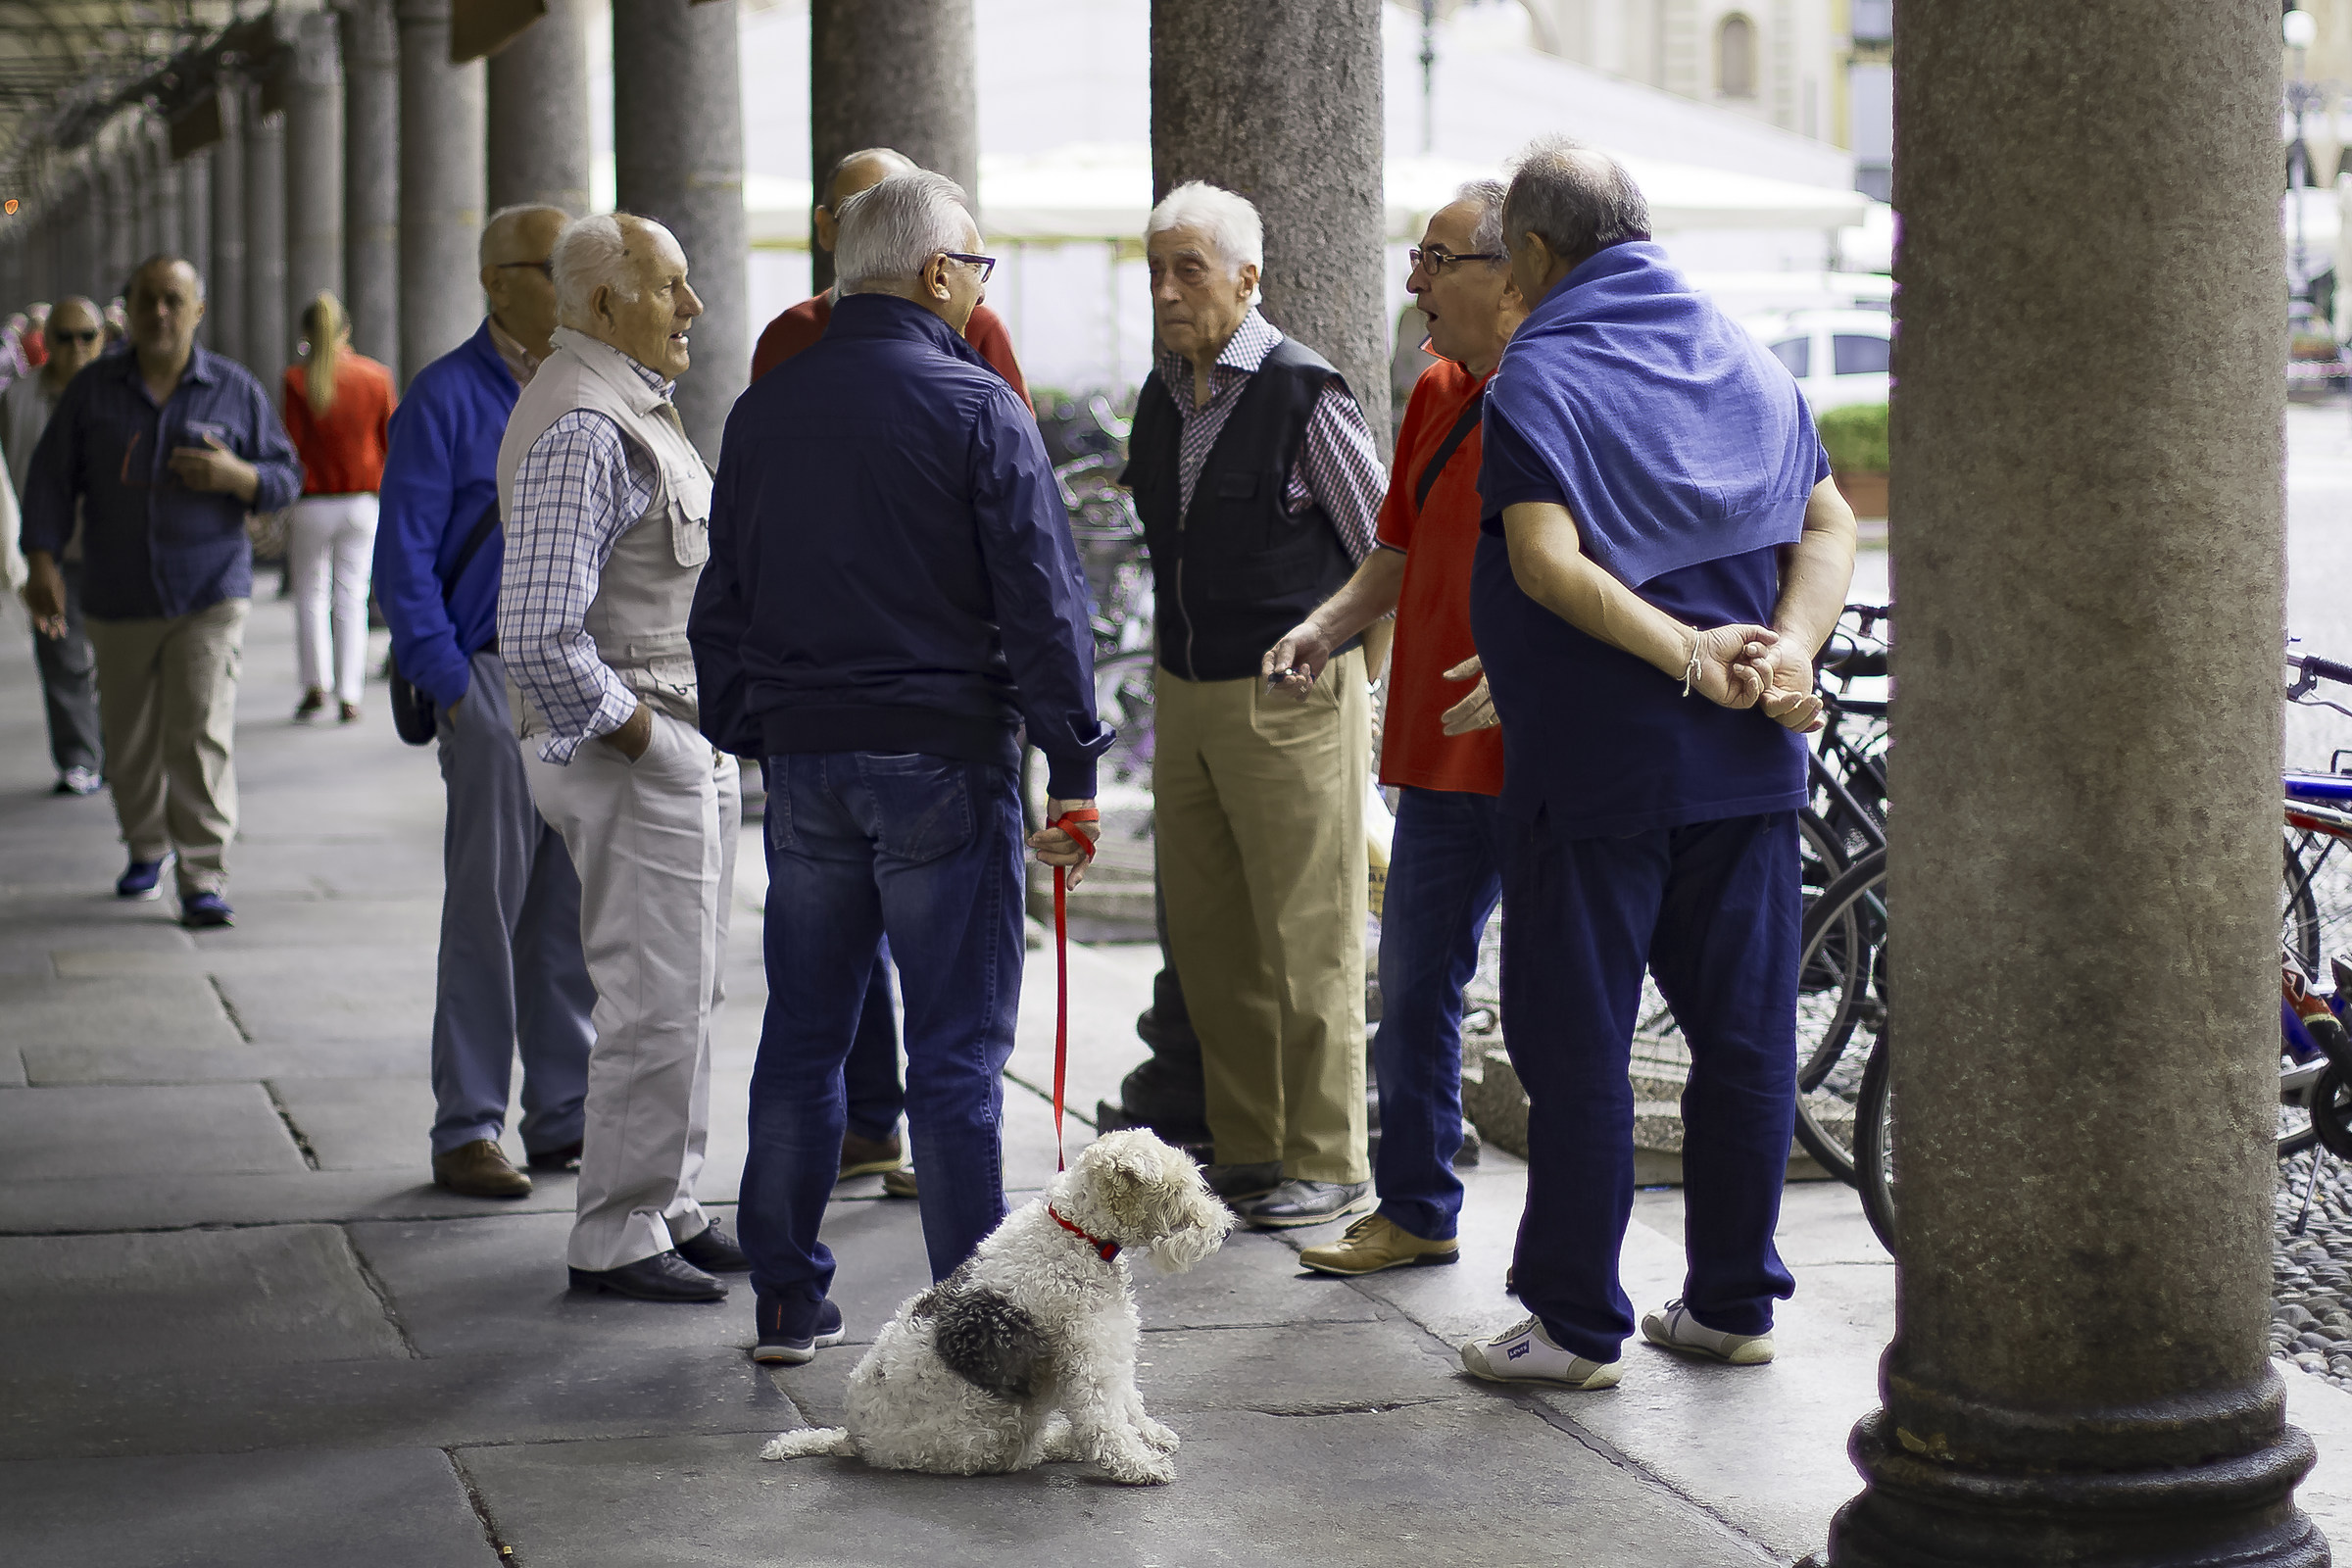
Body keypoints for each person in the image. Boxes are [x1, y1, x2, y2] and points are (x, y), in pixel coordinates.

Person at [1451, 140, 1855, 1392]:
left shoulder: (1542, 376)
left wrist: (1682, 655)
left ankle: (1574, 1320)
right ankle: (1733, 1298)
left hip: (1602, 770)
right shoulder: (1745, 357)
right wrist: (1785, 653)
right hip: (1744, 764)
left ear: (1529, 253)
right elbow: (1829, 525)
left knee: (1576, 1044)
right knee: (1743, 1036)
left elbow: (1547, 565)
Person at [690, 170, 1108, 1365]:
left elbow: (723, 600)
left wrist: (750, 723)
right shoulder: (980, 408)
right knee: (958, 1057)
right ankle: (975, 1329)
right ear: (937, 273)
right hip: (943, 755)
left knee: (805, 1035)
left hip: (809, 760)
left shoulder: (764, 411)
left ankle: (783, 1296)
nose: (980, 289)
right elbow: (1044, 609)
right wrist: (1072, 764)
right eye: (976, 268)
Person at [1259, 181, 1525, 1277]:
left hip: (1540, 752)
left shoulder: (1565, 390)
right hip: (1435, 754)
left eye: (1434, 257)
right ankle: (1417, 1208)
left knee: (1563, 1010)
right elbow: (1396, 550)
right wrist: (1322, 627)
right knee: (1413, 986)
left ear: (1512, 275)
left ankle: (1575, 1261)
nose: (1411, 280)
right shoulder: (1435, 392)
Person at [1124, 181, 1388, 1230]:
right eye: (1154, 270)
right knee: (1211, 936)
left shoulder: (1302, 393)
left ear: (1248, 278)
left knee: (1312, 933)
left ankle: (1329, 1155)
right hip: (1185, 694)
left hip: (1293, 697)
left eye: (1189, 268)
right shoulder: (1163, 392)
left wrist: (1359, 681)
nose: (1168, 289)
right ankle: (1249, 1148)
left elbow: (1385, 550)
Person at [499, 212, 746, 1303]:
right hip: (636, 749)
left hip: (663, 742)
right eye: (670, 286)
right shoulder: (586, 424)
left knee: (682, 984)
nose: (693, 307)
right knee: (652, 992)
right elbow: (541, 631)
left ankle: (664, 1198)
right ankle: (617, 1230)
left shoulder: (614, 404)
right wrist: (655, 742)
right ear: (604, 305)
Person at [375, 204, 596, 1201]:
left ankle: (563, 1112)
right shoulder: (443, 396)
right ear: (498, 280)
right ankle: (467, 1123)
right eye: (554, 269)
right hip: (494, 675)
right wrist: (450, 679)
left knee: (567, 910)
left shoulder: (584, 387)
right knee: (486, 904)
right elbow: (404, 558)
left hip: (582, 676)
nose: (575, 285)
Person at [21, 257, 301, 928]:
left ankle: (203, 872)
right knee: (129, 738)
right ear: (130, 310)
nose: (160, 313)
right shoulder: (93, 392)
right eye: (147, 300)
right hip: (116, 594)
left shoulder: (233, 389)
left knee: (201, 729)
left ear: (197, 310)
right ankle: (146, 845)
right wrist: (42, 562)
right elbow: (51, 479)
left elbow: (285, 475)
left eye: (174, 300)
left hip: (209, 591)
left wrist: (237, 476)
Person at [750, 146, 1029, 402]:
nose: (881, 231)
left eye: (901, 217)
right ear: (825, 228)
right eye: (857, 215)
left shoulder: (976, 324)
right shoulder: (787, 334)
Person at [2, 295, 109, 796]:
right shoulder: (18, 399)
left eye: (87, 337)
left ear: (102, 339)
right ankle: (78, 758)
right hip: (47, 553)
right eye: (63, 338)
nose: (75, 348)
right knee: (60, 658)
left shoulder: (118, 393)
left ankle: (117, 751)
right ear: (45, 342)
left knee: (117, 659)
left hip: (114, 550)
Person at [281, 291, 395, 725]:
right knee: (351, 597)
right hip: (362, 502)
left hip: (311, 503)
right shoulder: (376, 376)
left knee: (310, 596)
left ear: (305, 334)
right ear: (347, 330)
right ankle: (350, 694)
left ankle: (316, 686)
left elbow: (291, 445)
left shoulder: (296, 379)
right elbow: (389, 440)